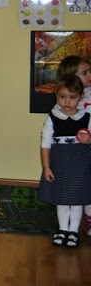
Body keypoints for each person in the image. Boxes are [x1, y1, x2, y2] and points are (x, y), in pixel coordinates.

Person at [38, 75, 91, 248]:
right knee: (61, 198)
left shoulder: (87, 118)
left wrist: (89, 140)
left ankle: (73, 231)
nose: (67, 101)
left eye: (72, 97)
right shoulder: (52, 119)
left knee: (76, 199)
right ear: (56, 96)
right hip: (60, 164)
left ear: (80, 97)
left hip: (80, 165)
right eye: (62, 96)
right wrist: (47, 167)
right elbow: (45, 144)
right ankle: (62, 229)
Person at [56, 56, 91, 237]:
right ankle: (86, 217)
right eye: (85, 73)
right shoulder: (67, 101)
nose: (90, 75)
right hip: (77, 151)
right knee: (82, 183)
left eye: (90, 71)